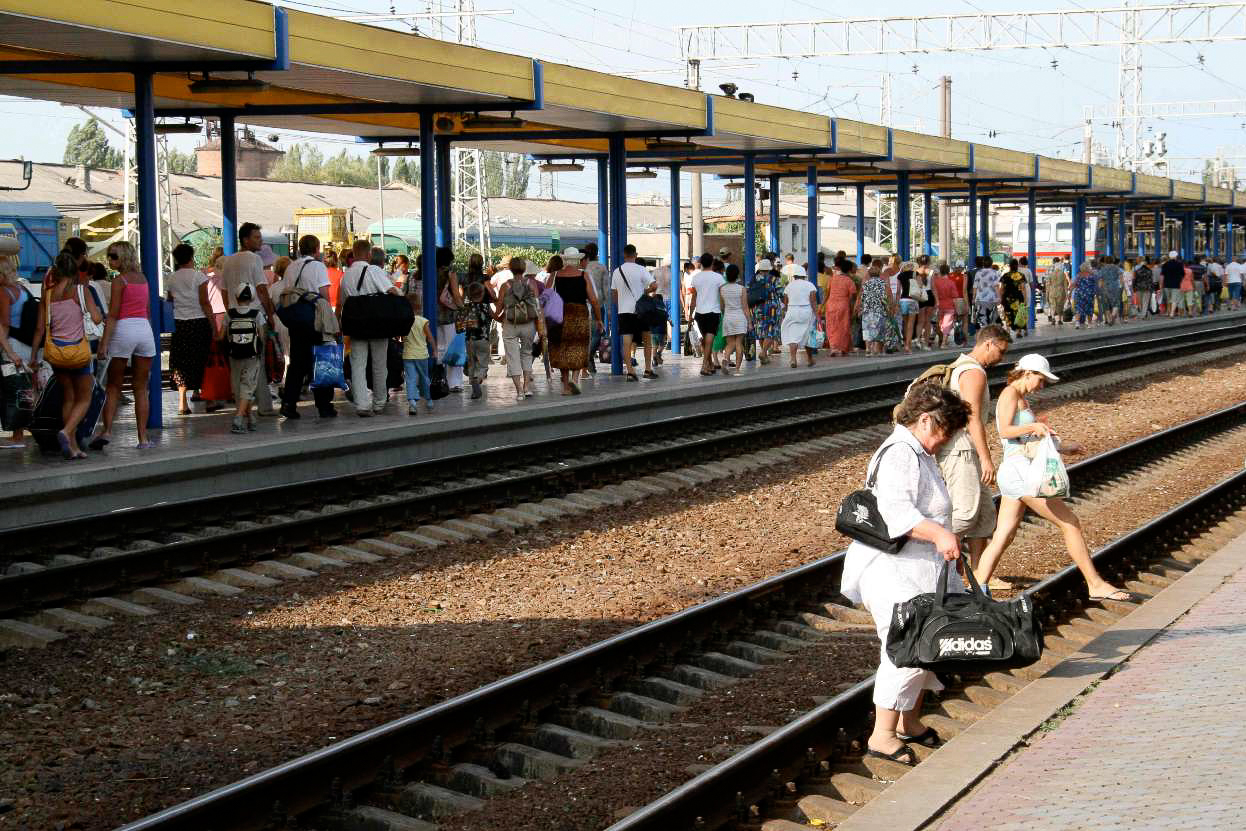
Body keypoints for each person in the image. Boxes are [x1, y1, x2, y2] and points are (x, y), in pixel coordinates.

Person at [839, 380, 973, 765]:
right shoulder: (901, 453)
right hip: (893, 570)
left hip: (916, 567)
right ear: (928, 421)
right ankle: (882, 735)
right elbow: (899, 515)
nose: (945, 442)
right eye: (945, 433)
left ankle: (908, 722)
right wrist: (941, 534)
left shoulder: (918, 451)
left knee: (926, 643)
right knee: (907, 646)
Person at [973, 354, 1130, 602]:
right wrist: (1033, 427)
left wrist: (1063, 446)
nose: (1042, 385)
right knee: (1070, 523)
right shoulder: (1009, 394)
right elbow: (1004, 430)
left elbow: (1027, 439)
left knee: (1004, 535)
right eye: (1041, 379)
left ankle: (977, 589)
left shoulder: (1020, 398)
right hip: (1019, 472)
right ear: (1027, 373)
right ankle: (1095, 583)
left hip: (1016, 472)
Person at [937, 324, 1012, 581]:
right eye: (1000, 351)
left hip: (968, 450)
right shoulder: (973, 372)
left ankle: (981, 575)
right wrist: (986, 457)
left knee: (983, 514)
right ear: (988, 343)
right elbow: (973, 419)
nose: (1001, 358)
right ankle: (935, 564)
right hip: (963, 451)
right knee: (966, 514)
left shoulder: (963, 367)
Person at [29, 252, 104, 458]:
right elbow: (97, 319)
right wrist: (94, 310)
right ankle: (67, 431)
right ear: (74, 272)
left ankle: (72, 448)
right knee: (85, 398)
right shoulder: (82, 291)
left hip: (56, 354)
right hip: (78, 353)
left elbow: (39, 329)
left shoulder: (49, 294)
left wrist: (34, 355)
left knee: (68, 397)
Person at [89, 242, 156, 450]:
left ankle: (107, 431)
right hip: (144, 331)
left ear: (124, 257)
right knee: (141, 388)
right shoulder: (143, 279)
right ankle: (143, 438)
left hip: (124, 330)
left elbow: (114, 314)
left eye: (113, 256)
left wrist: (104, 344)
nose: (110, 260)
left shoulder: (120, 281)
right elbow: (148, 311)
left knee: (114, 385)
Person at [220, 222, 277, 418]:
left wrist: (231, 311)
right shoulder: (254, 259)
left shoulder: (228, 261)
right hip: (253, 317)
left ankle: (242, 407)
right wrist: (270, 315)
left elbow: (224, 290)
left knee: (236, 362)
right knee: (257, 360)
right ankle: (265, 406)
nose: (260, 240)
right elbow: (261, 289)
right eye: (256, 237)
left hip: (234, 317)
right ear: (245, 239)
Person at [337, 240, 401, 416]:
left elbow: (342, 302)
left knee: (357, 364)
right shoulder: (373, 270)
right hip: (377, 323)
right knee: (379, 363)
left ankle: (362, 405)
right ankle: (379, 402)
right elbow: (392, 291)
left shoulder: (346, 275)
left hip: (356, 325)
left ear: (354, 253)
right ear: (369, 254)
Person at [280, 235, 336, 419]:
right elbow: (324, 295)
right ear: (316, 249)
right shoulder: (318, 266)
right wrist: (330, 319)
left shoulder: (290, 267)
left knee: (297, 364)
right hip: (314, 319)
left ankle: (289, 402)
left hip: (296, 319)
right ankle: (324, 405)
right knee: (322, 361)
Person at [166, 243, 214, 415]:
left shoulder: (172, 278)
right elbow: (205, 302)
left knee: (181, 361)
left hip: (179, 323)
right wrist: (213, 323)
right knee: (202, 359)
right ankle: (208, 399)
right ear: (191, 257)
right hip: (198, 322)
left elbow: (170, 300)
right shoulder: (199, 277)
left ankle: (182, 403)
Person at [547, 254, 602, 396]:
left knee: (562, 348)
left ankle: (565, 386)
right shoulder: (583, 275)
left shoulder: (554, 275)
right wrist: (599, 319)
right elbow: (594, 300)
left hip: (559, 314)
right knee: (578, 346)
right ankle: (575, 380)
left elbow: (545, 296)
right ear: (577, 260)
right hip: (579, 313)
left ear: (564, 260)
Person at [0, 257, 34, 448]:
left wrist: (7, 350)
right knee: (25, 389)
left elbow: (3, 324)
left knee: (13, 389)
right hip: (27, 346)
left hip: (12, 345)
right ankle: (26, 430)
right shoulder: (23, 290)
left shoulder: (3, 292)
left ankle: (17, 436)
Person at [611, 244, 657, 381]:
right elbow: (654, 286)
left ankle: (630, 372)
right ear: (635, 255)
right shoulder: (641, 269)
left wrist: (619, 304)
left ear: (624, 255)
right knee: (647, 339)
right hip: (641, 311)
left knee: (627, 341)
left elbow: (614, 293)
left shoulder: (616, 271)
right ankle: (648, 369)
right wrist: (644, 292)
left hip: (624, 311)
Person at [496, 257, 539, 400]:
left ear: (510, 269)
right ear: (524, 269)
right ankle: (527, 387)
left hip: (510, 324)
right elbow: (537, 307)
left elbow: (498, 309)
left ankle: (519, 391)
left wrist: (495, 315)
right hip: (528, 324)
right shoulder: (531, 284)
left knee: (512, 357)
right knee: (527, 353)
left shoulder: (505, 286)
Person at [222, 281, 262, 434]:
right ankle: (238, 418)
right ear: (252, 298)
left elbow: (221, 335)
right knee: (248, 386)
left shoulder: (229, 314)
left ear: (236, 296)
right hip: (252, 355)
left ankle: (250, 417)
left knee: (239, 388)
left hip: (234, 355)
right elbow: (262, 335)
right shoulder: (257, 314)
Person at [432, 247, 465, 392]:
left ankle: (439, 378)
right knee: (453, 348)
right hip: (448, 315)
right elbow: (456, 296)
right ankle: (454, 382)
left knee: (439, 348)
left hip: (433, 314)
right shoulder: (450, 274)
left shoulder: (429, 272)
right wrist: (462, 308)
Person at [689, 252, 724, 376]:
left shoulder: (695, 278)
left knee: (705, 340)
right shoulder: (718, 277)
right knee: (709, 340)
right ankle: (704, 365)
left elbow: (693, 298)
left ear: (701, 263)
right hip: (713, 311)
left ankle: (709, 364)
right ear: (712, 263)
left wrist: (689, 315)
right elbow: (722, 296)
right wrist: (724, 309)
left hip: (699, 312)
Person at [402, 293, 435, 414]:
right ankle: (429, 399)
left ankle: (412, 403)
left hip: (408, 355)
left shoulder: (404, 321)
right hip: (422, 355)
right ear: (419, 306)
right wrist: (435, 350)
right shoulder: (423, 321)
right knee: (424, 377)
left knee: (410, 379)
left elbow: (401, 337)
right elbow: (430, 337)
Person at [459, 281, 493, 400]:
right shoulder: (485, 306)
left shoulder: (466, 308)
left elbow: (460, 323)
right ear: (482, 293)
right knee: (483, 363)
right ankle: (477, 379)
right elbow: (494, 316)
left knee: (472, 363)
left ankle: (473, 382)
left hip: (469, 340)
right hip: (483, 339)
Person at [717, 259, 751, 375]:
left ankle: (726, 358)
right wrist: (750, 322)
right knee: (738, 343)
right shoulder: (742, 289)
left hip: (728, 318)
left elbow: (721, 306)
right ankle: (737, 369)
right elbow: (745, 307)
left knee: (730, 343)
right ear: (737, 275)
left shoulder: (722, 289)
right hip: (740, 318)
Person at [781, 266, 818, 368]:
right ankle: (810, 359)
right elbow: (813, 301)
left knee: (793, 336)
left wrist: (785, 313)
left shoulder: (789, 286)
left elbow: (785, 302)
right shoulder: (810, 285)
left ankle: (793, 359)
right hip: (806, 311)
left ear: (795, 276)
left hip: (792, 310)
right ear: (804, 276)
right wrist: (818, 316)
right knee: (808, 335)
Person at [856, 262, 892, 356]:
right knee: (879, 329)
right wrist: (889, 307)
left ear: (869, 274)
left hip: (867, 309)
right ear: (879, 273)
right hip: (879, 309)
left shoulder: (865, 283)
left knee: (867, 329)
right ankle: (877, 350)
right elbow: (888, 295)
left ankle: (868, 349)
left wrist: (859, 307)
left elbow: (861, 296)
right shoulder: (883, 283)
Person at [823, 258, 857, 356]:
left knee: (831, 326)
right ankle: (842, 348)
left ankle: (833, 347)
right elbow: (853, 295)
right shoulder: (849, 281)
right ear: (849, 270)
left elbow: (827, 293)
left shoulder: (832, 278)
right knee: (843, 327)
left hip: (831, 305)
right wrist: (852, 307)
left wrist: (823, 304)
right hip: (843, 305)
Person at [752, 259, 783, 363]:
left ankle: (764, 355)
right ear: (769, 269)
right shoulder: (774, 279)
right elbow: (780, 293)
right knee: (770, 330)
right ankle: (764, 352)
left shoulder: (754, 279)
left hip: (758, 308)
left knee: (761, 330)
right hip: (772, 308)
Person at [1000, 258, 1029, 337]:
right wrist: (1025, 299)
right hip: (1018, 297)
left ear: (1009, 266)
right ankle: (1018, 332)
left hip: (1007, 297)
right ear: (1017, 266)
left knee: (1007, 314)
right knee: (1018, 314)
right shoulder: (1020, 275)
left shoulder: (1005, 275)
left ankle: (1008, 331)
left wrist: (1000, 298)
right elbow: (1023, 288)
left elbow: (1002, 288)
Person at [932, 262, 959, 347]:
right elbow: (955, 297)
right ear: (948, 271)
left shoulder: (936, 282)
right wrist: (957, 309)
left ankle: (940, 338)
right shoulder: (951, 282)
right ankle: (943, 342)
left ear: (940, 271)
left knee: (938, 324)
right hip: (949, 305)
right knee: (947, 324)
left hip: (938, 305)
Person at [972, 256, 1001, 330]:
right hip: (992, 299)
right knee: (992, 319)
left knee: (982, 319)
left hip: (980, 299)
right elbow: (996, 286)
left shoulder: (978, 273)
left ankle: (984, 336)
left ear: (983, 263)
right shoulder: (995, 272)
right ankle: (991, 335)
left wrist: (973, 298)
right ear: (991, 263)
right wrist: (999, 297)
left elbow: (975, 287)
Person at [915, 254, 936, 349]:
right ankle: (926, 343)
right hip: (930, 295)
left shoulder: (915, 272)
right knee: (928, 321)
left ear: (918, 262)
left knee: (920, 321)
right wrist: (937, 300)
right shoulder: (931, 272)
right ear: (928, 262)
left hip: (920, 296)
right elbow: (934, 287)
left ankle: (918, 341)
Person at [1096, 255, 1123, 325]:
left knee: (1106, 304)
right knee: (1116, 303)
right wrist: (1121, 286)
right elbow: (1121, 278)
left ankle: (1109, 319)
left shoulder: (1102, 269)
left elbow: (1100, 280)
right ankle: (1113, 315)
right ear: (1112, 260)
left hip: (1105, 288)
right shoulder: (1117, 268)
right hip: (1115, 287)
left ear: (1105, 261)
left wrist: (1099, 289)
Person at [1070, 261, 1097, 328]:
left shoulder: (1079, 275)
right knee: (1089, 308)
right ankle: (1089, 324)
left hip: (1079, 294)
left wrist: (1070, 292)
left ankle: (1077, 323)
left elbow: (1073, 284)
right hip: (1089, 294)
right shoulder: (1092, 275)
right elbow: (1096, 284)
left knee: (1078, 308)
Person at [1043, 257, 1068, 325]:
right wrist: (1067, 294)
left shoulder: (1051, 274)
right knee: (1060, 305)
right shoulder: (1063, 274)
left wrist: (1047, 293)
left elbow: (1047, 284)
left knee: (1052, 305)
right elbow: (1065, 285)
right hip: (1060, 291)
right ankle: (1059, 320)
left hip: (1052, 290)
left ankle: (1053, 318)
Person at [1160, 251, 1185, 318]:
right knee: (1174, 299)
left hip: (1166, 284)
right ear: (1176, 256)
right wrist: (1179, 280)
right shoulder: (1180, 264)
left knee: (1168, 299)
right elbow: (1183, 274)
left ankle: (1168, 312)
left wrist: (1161, 285)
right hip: (1176, 284)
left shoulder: (1165, 265)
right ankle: (1172, 313)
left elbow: (1162, 276)